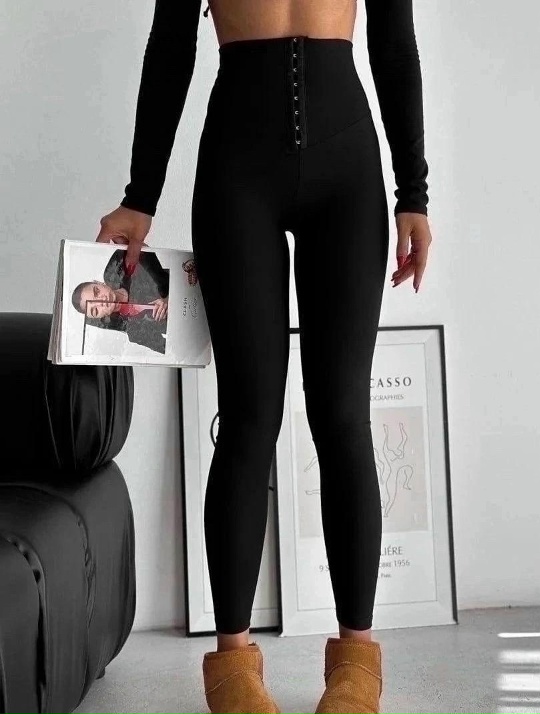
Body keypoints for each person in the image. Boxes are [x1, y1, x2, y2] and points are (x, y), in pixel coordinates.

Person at [95, 1, 433, 712]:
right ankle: (234, 669)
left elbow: (394, 45)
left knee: (343, 417)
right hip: (237, 173)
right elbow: (171, 48)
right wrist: (139, 196)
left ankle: (356, 666)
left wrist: (414, 194)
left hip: (348, 177)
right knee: (248, 419)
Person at [72, 248, 169, 354]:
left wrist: (166, 296)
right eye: (95, 310)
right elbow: (171, 350)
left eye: (97, 292)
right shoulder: (134, 331)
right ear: (99, 317)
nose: (101, 302)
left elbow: (140, 249)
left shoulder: (118, 268)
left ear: (99, 283)